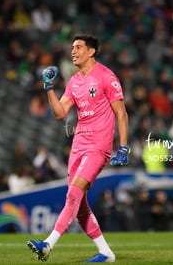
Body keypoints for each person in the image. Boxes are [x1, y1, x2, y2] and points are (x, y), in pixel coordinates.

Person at [27, 34, 129, 263]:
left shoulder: (106, 76)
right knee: (79, 204)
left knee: (73, 193)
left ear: (91, 51)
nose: (73, 51)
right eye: (72, 47)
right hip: (78, 146)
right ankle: (106, 253)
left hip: (98, 147)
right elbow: (59, 113)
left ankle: (47, 244)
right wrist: (49, 88)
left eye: (79, 47)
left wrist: (123, 147)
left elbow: (121, 113)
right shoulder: (74, 81)